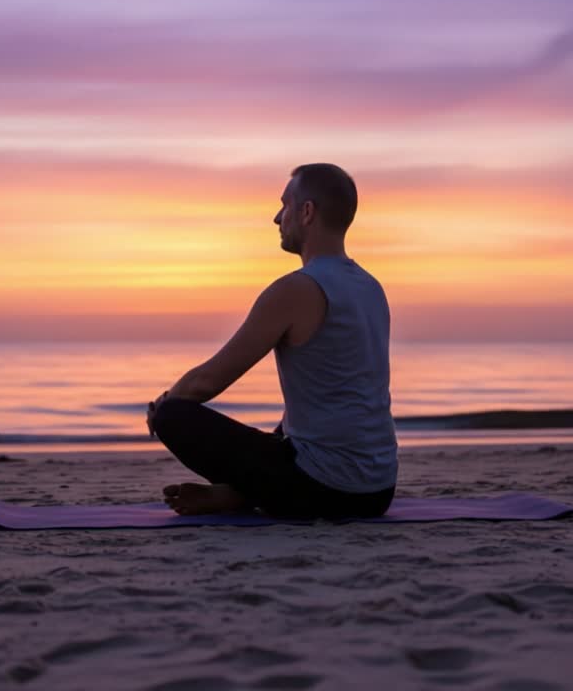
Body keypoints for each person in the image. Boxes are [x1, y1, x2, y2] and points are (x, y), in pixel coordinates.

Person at [146, 163, 398, 520]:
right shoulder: (371, 288)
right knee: (290, 430)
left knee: (175, 416)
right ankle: (240, 495)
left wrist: (164, 405)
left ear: (306, 212)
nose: (277, 218)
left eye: (284, 205)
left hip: (324, 489)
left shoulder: (296, 289)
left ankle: (242, 495)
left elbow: (208, 381)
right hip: (379, 490)